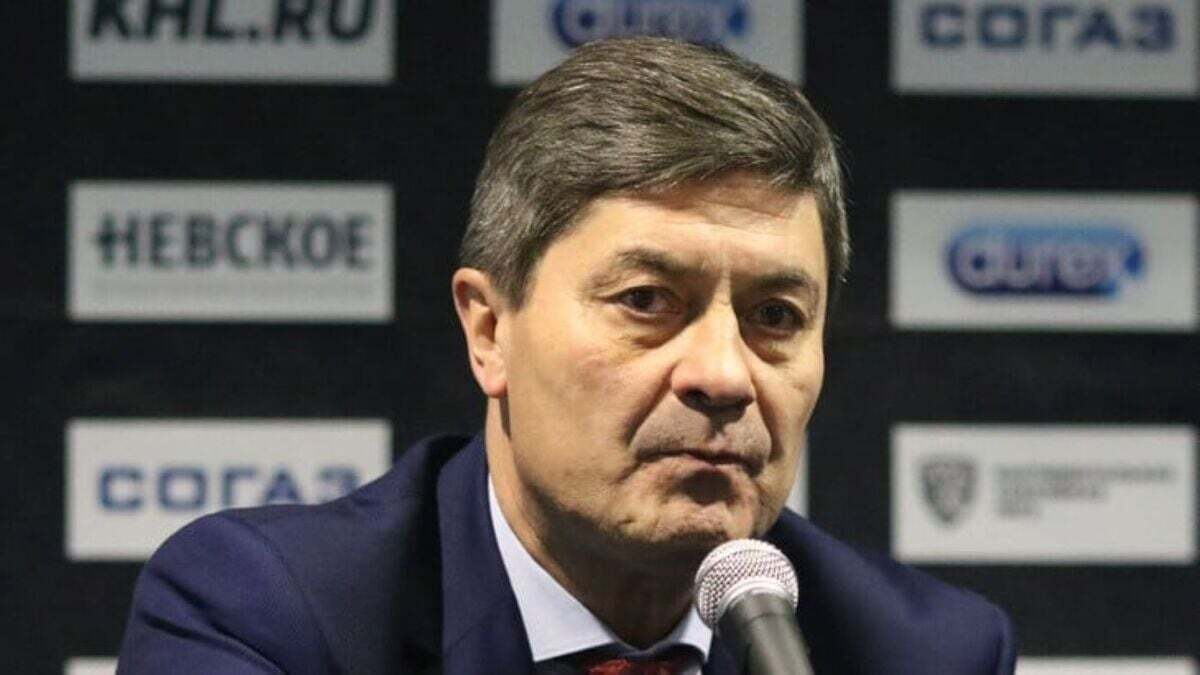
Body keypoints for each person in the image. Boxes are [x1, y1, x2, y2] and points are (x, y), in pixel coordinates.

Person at [117, 37, 1016, 674]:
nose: (723, 374)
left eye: (775, 315)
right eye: (646, 301)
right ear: (489, 331)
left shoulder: (928, 654)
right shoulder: (268, 616)